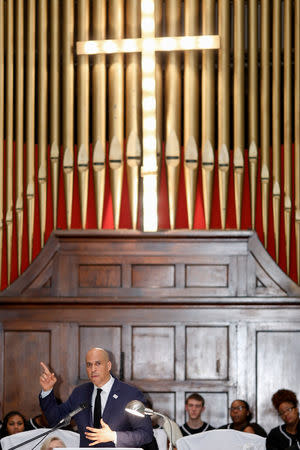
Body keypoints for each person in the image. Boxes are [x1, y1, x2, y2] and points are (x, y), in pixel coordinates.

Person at [39, 347, 153, 448]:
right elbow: (55, 420)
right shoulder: (80, 393)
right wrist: (47, 391)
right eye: (89, 365)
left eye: (98, 364)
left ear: (108, 366)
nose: (93, 369)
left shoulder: (130, 394)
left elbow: (145, 435)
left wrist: (114, 436)